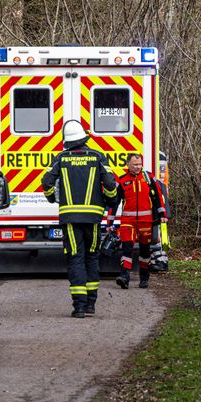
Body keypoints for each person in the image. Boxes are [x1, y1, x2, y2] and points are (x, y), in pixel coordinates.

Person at [41, 120, 118, 318]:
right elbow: (110, 184)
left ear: (67, 141)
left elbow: (47, 182)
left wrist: (51, 198)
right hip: (93, 218)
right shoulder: (98, 157)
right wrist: (111, 200)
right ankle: (91, 304)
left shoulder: (61, 158)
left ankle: (80, 307)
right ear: (84, 138)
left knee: (75, 258)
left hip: (70, 218)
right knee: (92, 257)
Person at [112, 153, 167, 289]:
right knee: (127, 247)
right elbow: (115, 203)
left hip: (145, 221)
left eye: (140, 164)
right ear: (128, 165)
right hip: (127, 221)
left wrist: (162, 214)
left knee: (145, 250)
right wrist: (110, 222)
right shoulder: (122, 180)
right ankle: (124, 277)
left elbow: (158, 197)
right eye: (135, 164)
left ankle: (144, 278)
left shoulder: (149, 178)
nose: (138, 167)